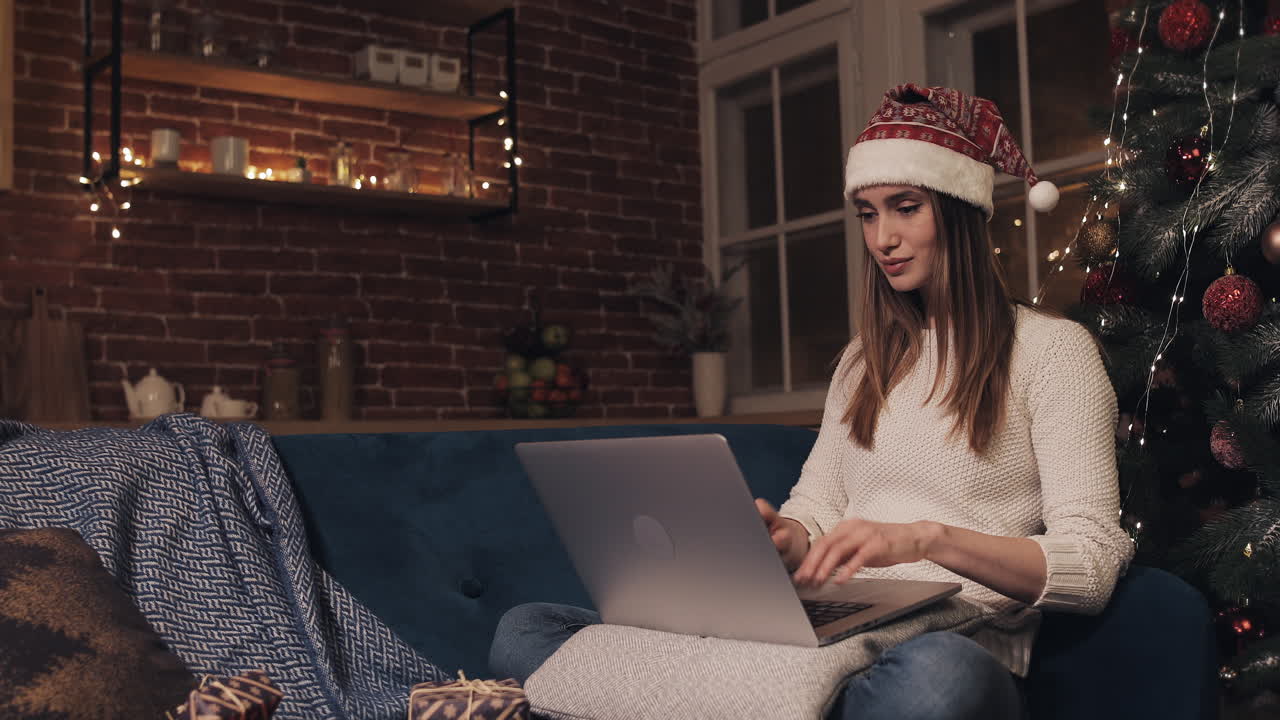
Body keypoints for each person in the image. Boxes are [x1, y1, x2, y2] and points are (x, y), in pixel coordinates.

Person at [489, 84, 1135, 720]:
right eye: (867, 213)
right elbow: (817, 509)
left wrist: (924, 540)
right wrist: (784, 543)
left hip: (952, 637)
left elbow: (1094, 561)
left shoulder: (1052, 351)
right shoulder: (863, 360)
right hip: (834, 624)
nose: (882, 238)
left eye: (905, 207)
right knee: (527, 628)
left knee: (938, 684)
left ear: (959, 210)